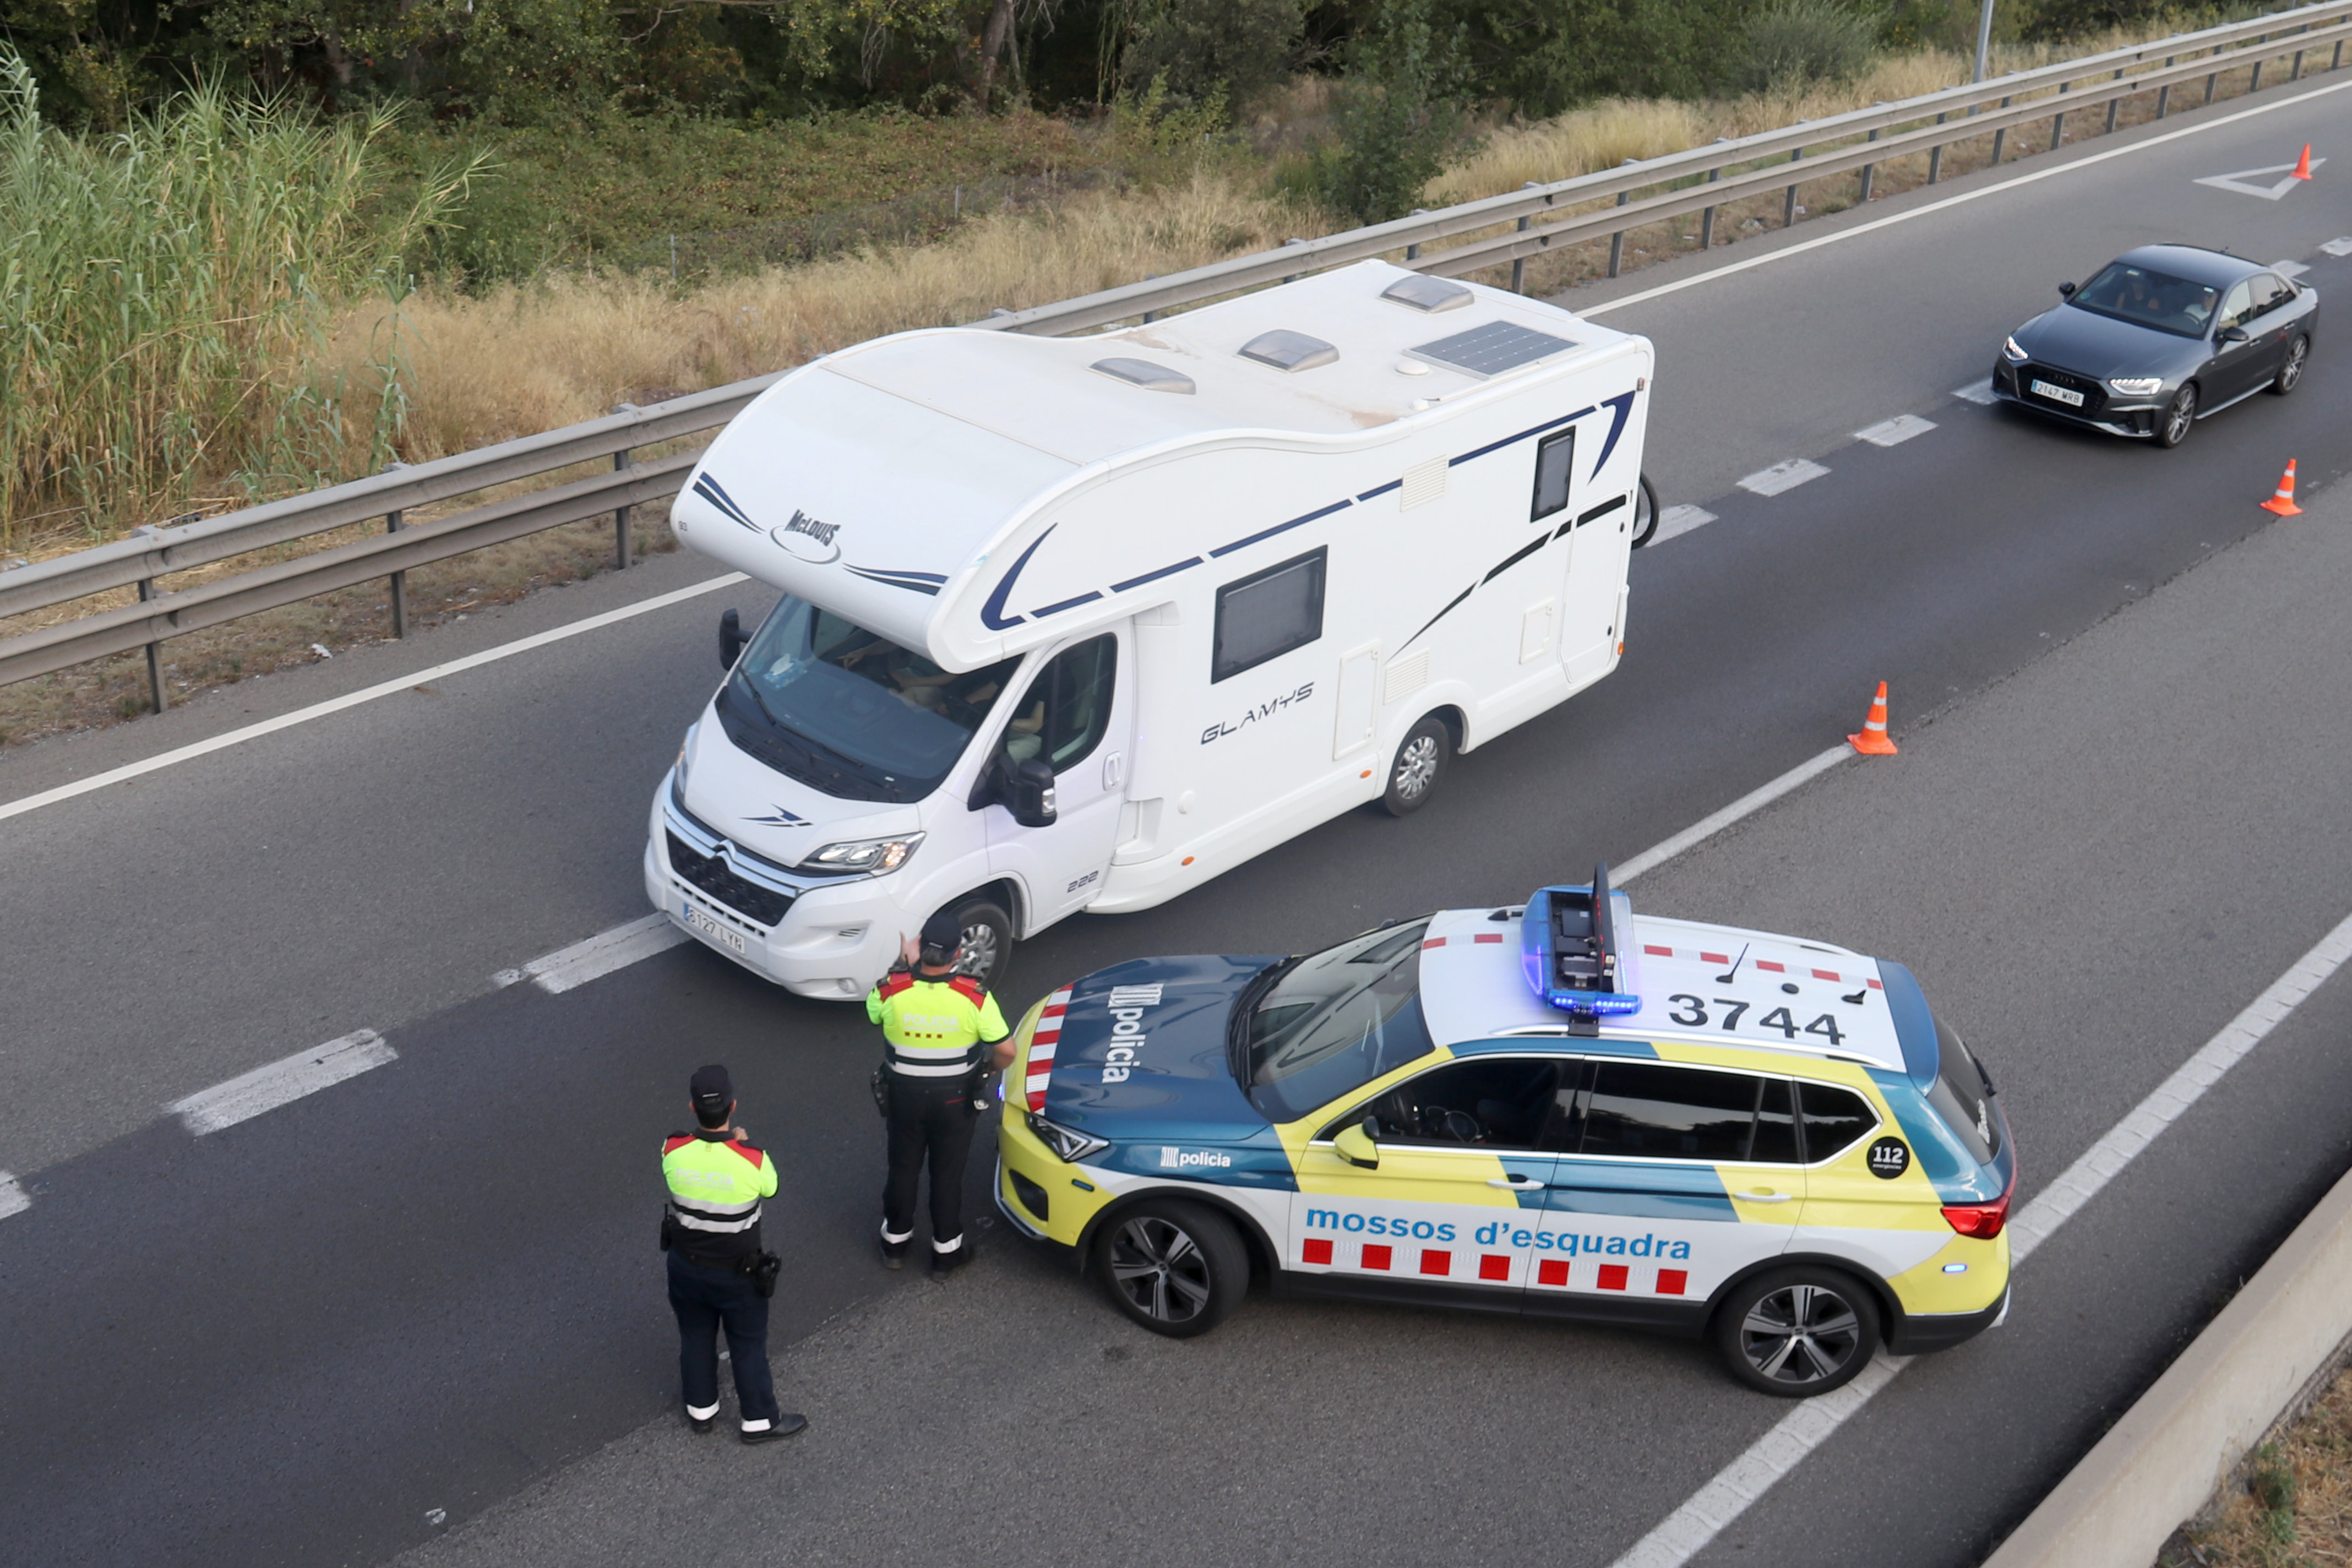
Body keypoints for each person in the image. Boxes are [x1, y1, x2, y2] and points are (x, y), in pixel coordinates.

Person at [661, 1064, 806, 1444]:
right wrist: (740, 1142)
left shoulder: (672, 1150)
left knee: (694, 1335)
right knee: (746, 1343)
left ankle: (701, 1410)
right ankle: (758, 1419)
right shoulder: (752, 1159)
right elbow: (770, 1189)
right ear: (733, 1106)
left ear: (692, 1108)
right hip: (737, 1275)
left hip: (685, 1266)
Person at [867, 910, 1015, 1278]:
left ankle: (895, 1245)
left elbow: (873, 1014)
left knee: (903, 1168)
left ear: (920, 949)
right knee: (946, 1174)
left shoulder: (890, 989)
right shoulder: (975, 998)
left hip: (903, 1097)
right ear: (956, 954)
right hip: (955, 1101)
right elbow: (1007, 1051)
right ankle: (945, 1254)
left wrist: (903, 961)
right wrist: (988, 1070)